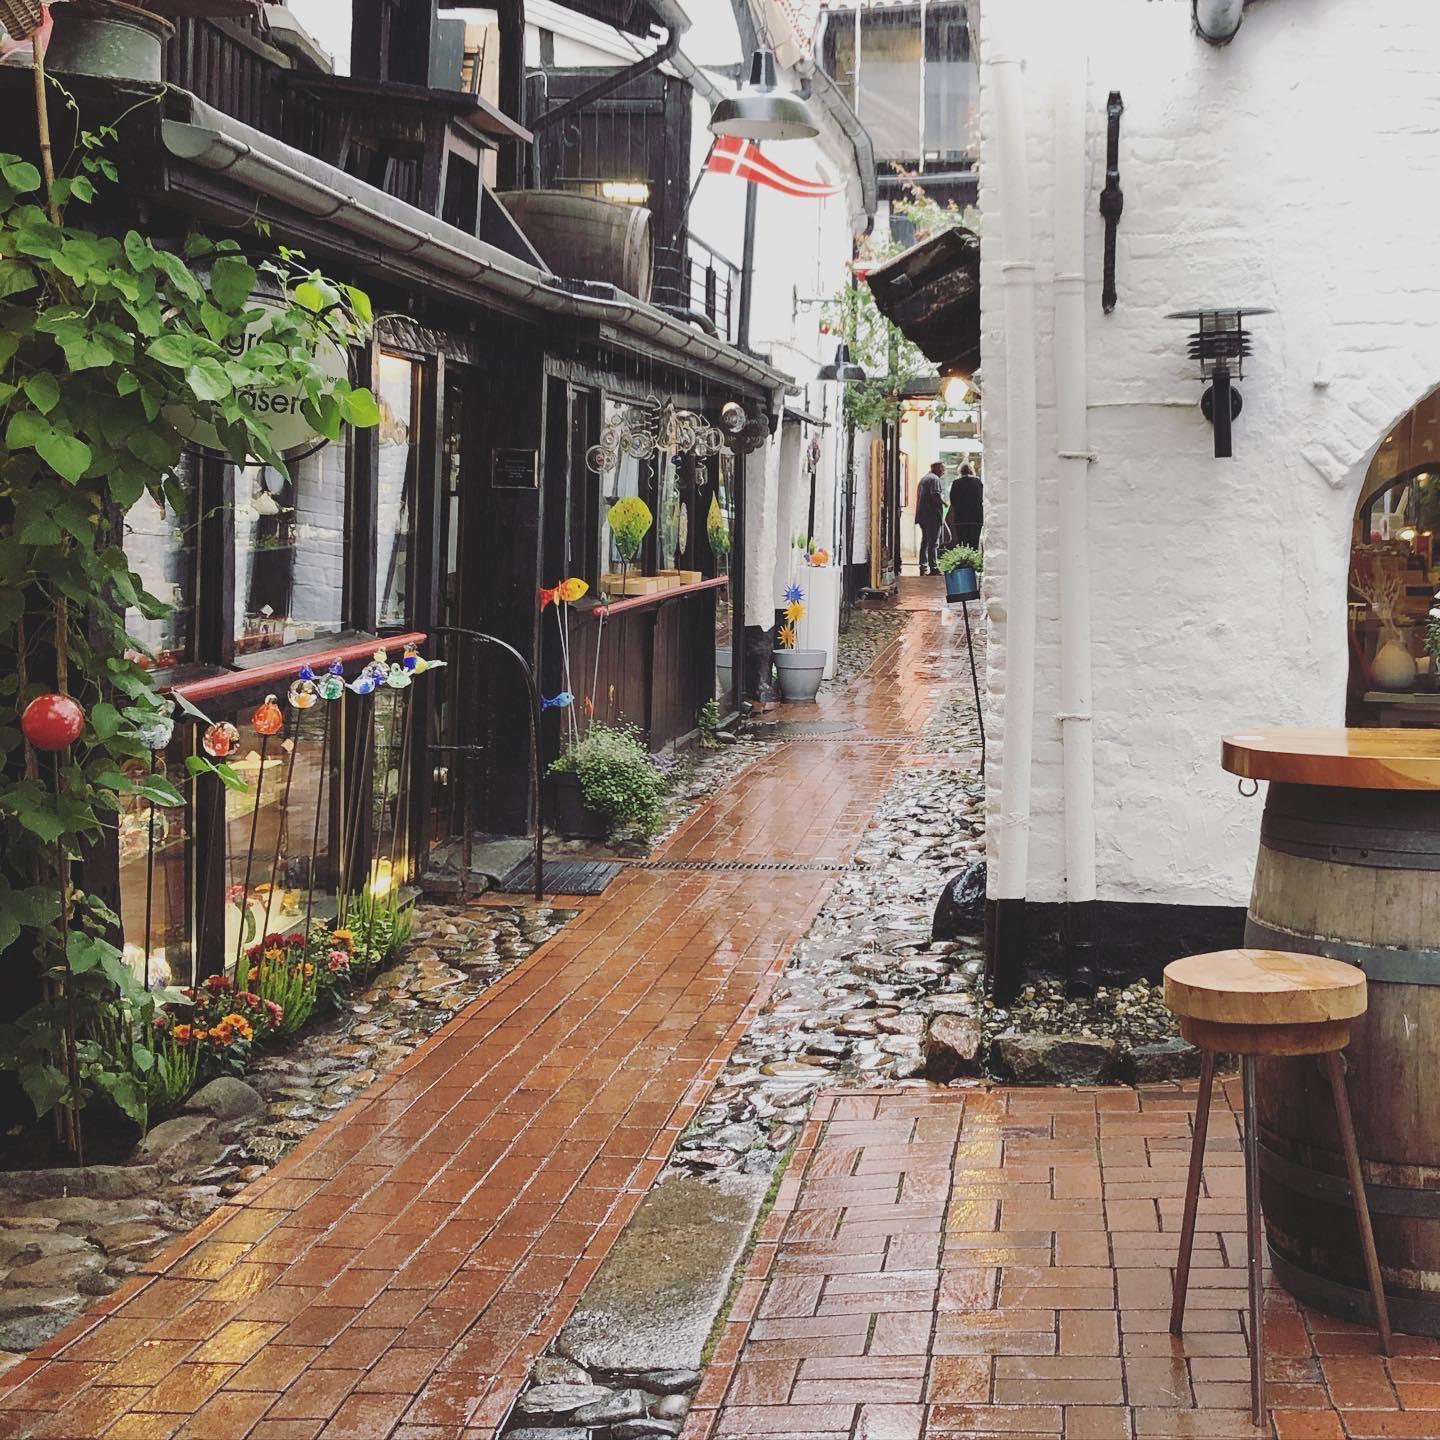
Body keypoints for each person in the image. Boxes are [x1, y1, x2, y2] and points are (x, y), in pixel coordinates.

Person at [915, 461, 945, 576]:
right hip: (932, 515)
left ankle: (923, 566)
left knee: (925, 541)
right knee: (933, 543)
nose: (944, 472)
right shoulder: (934, 479)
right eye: (943, 469)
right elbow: (936, 495)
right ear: (938, 469)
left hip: (923, 516)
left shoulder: (924, 479)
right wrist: (945, 503)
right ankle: (934, 567)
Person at [947, 462, 983, 550]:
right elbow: (982, 497)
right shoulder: (978, 481)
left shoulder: (956, 483)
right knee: (974, 540)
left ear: (960, 471)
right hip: (976, 517)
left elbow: (953, 500)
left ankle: (964, 556)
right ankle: (974, 556)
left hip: (961, 517)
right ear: (971, 470)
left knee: (962, 540)